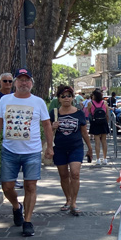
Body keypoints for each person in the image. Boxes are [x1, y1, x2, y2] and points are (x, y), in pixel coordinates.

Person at [0, 67, 53, 237]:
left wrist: (50, 147)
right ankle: (17, 206)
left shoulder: (38, 102)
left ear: (31, 83)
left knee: (30, 186)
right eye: (20, 79)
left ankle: (28, 221)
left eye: (27, 80)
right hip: (10, 150)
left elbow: (47, 125)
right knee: (7, 186)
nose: (24, 83)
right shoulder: (5, 100)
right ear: (15, 82)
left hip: (32, 151)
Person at [51, 85, 93, 216]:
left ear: (73, 98)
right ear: (59, 98)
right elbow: (47, 132)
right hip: (59, 148)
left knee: (75, 174)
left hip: (76, 147)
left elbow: (84, 133)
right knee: (64, 175)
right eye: (63, 96)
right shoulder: (54, 113)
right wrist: (53, 127)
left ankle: (74, 203)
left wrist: (90, 149)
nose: (66, 98)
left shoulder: (79, 113)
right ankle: (68, 199)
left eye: (69, 96)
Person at [86, 88, 111, 165]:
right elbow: (107, 114)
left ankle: (98, 159)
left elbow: (90, 113)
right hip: (103, 122)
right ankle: (105, 158)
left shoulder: (90, 103)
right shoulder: (105, 103)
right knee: (104, 141)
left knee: (97, 142)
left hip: (95, 123)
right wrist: (106, 122)